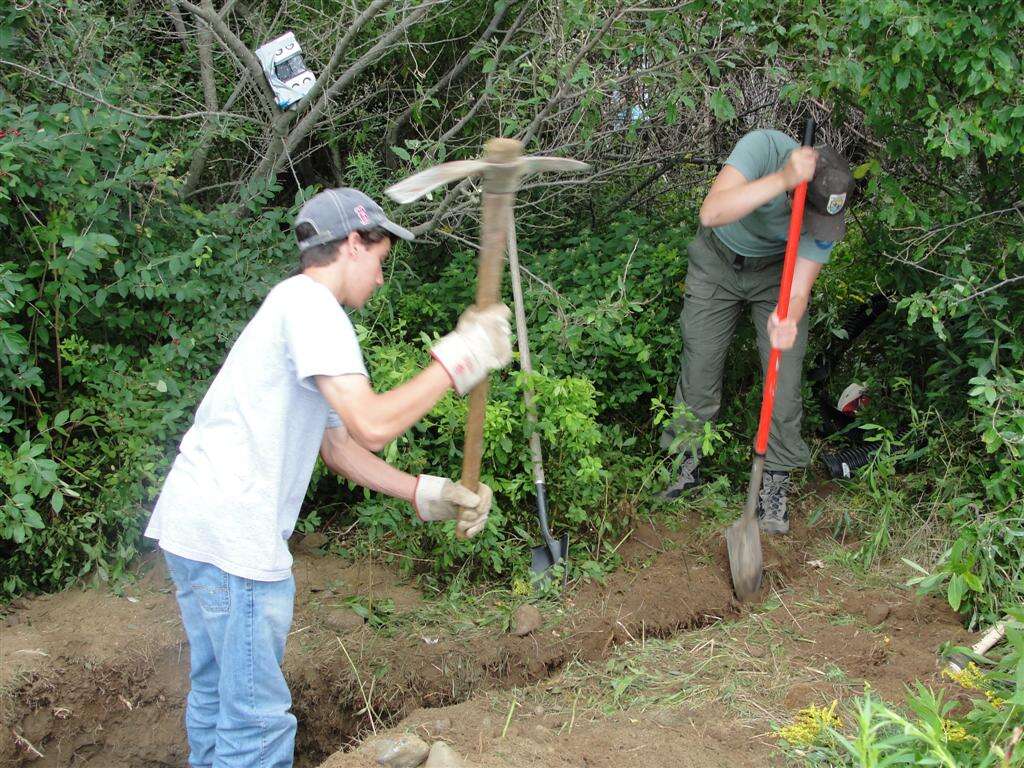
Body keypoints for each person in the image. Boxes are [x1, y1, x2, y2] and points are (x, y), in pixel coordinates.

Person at [143, 188, 512, 768]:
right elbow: (370, 424)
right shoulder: (314, 308)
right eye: (382, 260)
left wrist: (423, 491)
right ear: (355, 244)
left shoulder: (292, 308)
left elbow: (339, 445)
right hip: (234, 542)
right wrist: (459, 360)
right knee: (255, 728)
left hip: (196, 530)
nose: (382, 280)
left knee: (218, 701)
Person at [660, 128, 854, 534]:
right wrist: (783, 179)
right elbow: (710, 212)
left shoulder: (826, 218)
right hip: (718, 259)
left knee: (784, 374)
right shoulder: (764, 148)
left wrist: (789, 318)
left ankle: (775, 482)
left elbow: (799, 288)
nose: (817, 227)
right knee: (701, 361)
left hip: (775, 275)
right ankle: (686, 462)